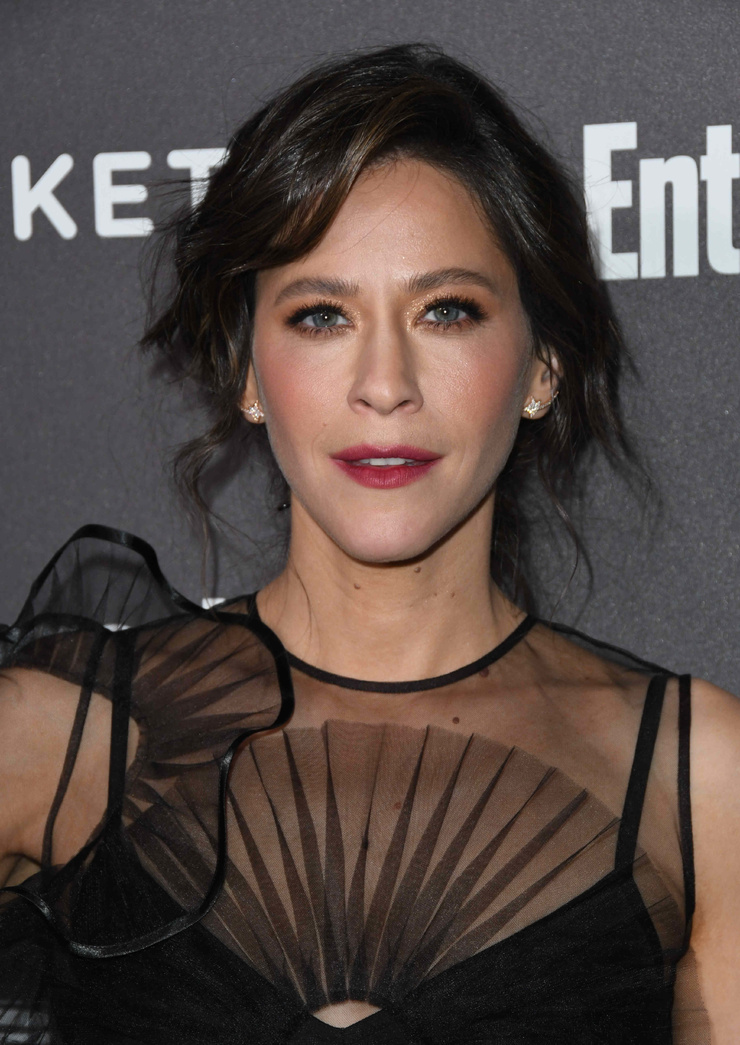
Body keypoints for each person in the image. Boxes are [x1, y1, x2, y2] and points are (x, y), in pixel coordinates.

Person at [0, 42, 737, 1045]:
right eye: (320, 316)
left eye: (446, 311)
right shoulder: (58, 738)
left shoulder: (700, 780)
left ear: (541, 367)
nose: (383, 384)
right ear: (247, 372)